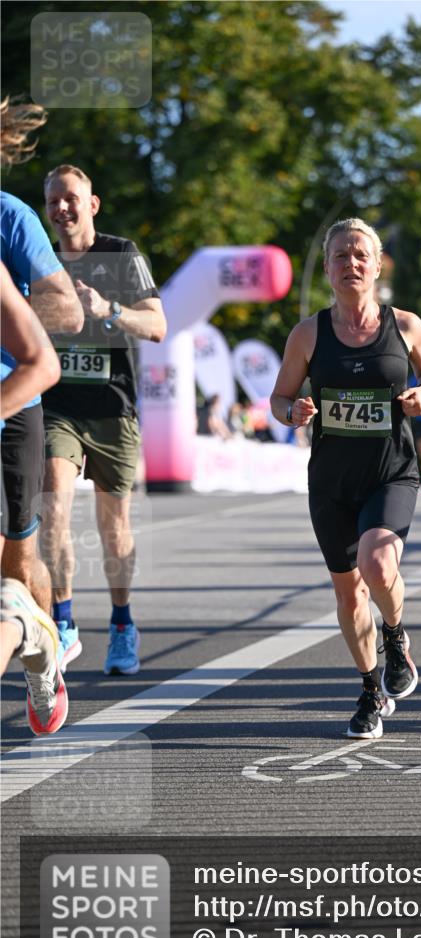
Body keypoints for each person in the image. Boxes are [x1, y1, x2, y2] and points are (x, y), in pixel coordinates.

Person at [270, 218, 421, 739]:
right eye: (341, 256)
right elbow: (278, 398)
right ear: (327, 268)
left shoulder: (406, 326)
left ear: (377, 265)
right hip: (330, 482)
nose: (352, 263)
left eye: (361, 255)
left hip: (391, 471)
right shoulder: (308, 333)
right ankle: (370, 689)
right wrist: (292, 411)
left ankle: (395, 636)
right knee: (347, 597)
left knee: (378, 562)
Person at [40, 164, 167, 675]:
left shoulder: (121, 254)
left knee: (114, 526)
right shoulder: (40, 258)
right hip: (58, 405)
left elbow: (156, 325)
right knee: (52, 504)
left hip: (113, 408)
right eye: (52, 202)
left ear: (92, 204)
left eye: (70, 198)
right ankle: (64, 621)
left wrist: (108, 309)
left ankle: (121, 623)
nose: (61, 209)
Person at [1, 98, 84, 615]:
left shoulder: (11, 217)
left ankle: (45, 665)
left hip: (15, 404)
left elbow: (68, 312)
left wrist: (12, 316)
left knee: (18, 565)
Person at [1, 262, 68, 734]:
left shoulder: (13, 221)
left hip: (16, 418)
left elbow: (43, 362)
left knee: (20, 564)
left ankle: (24, 623)